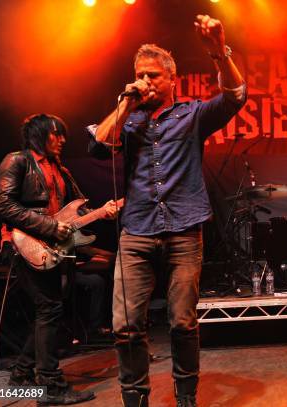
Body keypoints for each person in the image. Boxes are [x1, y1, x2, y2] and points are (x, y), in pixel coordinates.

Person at [86, 15, 246, 407]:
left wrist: (218, 53)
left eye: (154, 76)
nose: (146, 82)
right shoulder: (128, 121)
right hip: (137, 231)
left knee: (182, 323)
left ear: (172, 79)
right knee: (125, 327)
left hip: (184, 230)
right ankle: (135, 400)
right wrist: (126, 102)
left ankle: (186, 397)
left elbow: (236, 95)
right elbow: (97, 148)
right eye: (140, 75)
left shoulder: (191, 116)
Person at [0, 114, 117, 404]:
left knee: (49, 311)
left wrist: (103, 211)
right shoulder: (17, 161)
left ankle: (22, 374)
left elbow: (74, 212)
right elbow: (3, 204)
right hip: (24, 243)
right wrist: (48, 227)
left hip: (52, 246)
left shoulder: (58, 168)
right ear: (38, 134)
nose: (62, 140)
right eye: (55, 134)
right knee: (49, 308)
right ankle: (49, 386)